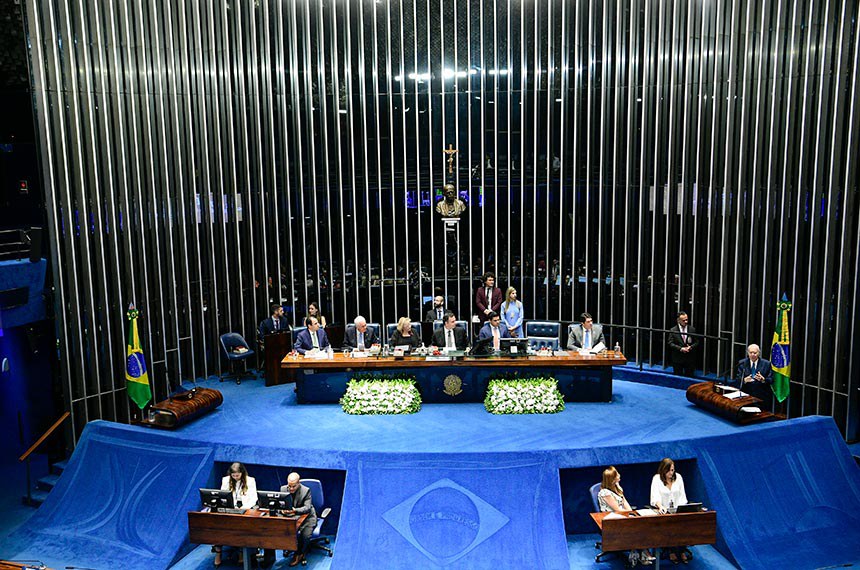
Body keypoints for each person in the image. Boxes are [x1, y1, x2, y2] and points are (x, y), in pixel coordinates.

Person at [598, 466, 655, 567]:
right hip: (612, 521)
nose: (619, 475)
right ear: (612, 479)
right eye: (617, 474)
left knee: (642, 523)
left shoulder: (617, 488)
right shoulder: (605, 493)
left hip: (622, 516)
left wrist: (632, 513)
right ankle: (642, 553)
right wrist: (629, 514)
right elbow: (618, 510)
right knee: (635, 527)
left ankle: (641, 552)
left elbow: (627, 506)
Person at [214, 462, 259, 567]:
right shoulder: (226, 480)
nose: (235, 478)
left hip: (245, 509)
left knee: (243, 527)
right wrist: (231, 507)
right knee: (217, 526)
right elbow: (223, 495)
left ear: (242, 473)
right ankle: (218, 552)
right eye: (233, 476)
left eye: (237, 475)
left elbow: (254, 498)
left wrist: (243, 508)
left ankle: (241, 551)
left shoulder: (250, 480)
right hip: (231, 509)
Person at [650, 458, 691, 564]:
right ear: (663, 470)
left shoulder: (679, 478)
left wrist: (682, 509)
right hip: (664, 511)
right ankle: (672, 551)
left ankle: (681, 550)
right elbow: (655, 497)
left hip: (678, 510)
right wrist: (660, 506)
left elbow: (683, 496)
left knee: (684, 523)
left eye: (672, 470)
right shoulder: (657, 479)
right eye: (668, 470)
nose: (671, 473)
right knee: (670, 525)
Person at [280, 472, 318, 567]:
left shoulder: (306, 491)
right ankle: (290, 547)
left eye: (294, 486)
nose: (291, 489)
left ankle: (300, 554)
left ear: (298, 483)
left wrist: (294, 511)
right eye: (290, 486)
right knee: (282, 530)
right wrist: (282, 510)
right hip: (291, 517)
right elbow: (280, 503)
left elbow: (307, 508)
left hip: (308, 517)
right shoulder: (283, 489)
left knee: (305, 535)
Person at [667, 312, 699, 377]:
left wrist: (691, 347)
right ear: (678, 320)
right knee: (678, 378)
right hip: (677, 359)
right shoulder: (673, 330)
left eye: (687, 319)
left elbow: (697, 342)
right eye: (684, 320)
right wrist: (680, 349)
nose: (686, 321)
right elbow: (670, 343)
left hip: (689, 359)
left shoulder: (692, 329)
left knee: (690, 377)